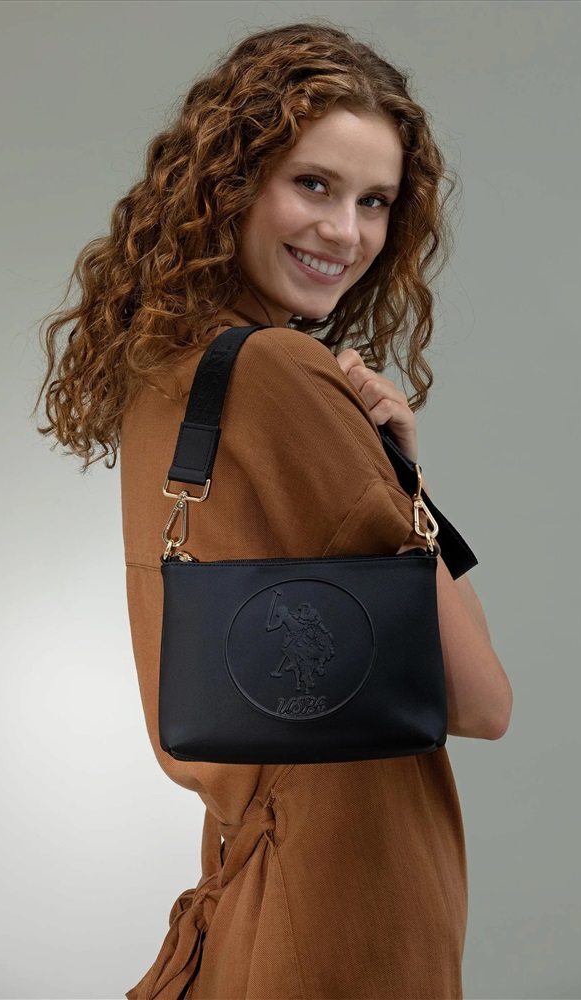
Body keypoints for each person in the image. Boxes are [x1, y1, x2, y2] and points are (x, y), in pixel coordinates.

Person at [33, 20, 512, 1000]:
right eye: (313, 185)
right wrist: (406, 475)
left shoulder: (174, 369)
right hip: (348, 889)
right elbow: (481, 702)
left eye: (374, 201)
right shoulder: (280, 371)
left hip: (252, 866)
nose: (346, 232)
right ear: (232, 184)